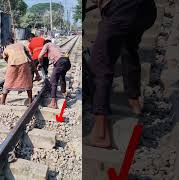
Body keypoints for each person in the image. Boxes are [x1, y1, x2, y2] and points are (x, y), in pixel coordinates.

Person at [86, 0, 157, 148]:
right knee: (129, 47)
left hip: (121, 7)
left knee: (100, 63)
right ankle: (134, 103)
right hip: (146, 9)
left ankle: (100, 135)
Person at [1, 39, 41, 105]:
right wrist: (37, 74)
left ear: (7, 44)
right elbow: (30, 59)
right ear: (13, 42)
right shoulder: (21, 45)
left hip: (12, 64)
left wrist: (12, 62)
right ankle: (30, 101)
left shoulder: (6, 48)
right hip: (24, 63)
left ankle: (2, 102)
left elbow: (6, 59)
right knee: (28, 81)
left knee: (8, 82)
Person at [38, 40, 71, 109]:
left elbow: (40, 56)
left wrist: (40, 64)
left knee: (53, 81)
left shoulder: (47, 45)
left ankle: (53, 103)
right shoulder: (56, 46)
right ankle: (64, 93)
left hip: (60, 62)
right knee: (62, 76)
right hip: (67, 62)